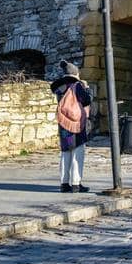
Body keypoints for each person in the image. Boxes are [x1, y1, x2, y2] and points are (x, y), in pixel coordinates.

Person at [50, 61, 93, 193]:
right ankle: (76, 183)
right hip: (76, 124)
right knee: (77, 152)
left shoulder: (59, 87)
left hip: (64, 124)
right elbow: (86, 100)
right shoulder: (77, 85)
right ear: (76, 73)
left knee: (66, 152)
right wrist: (87, 90)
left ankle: (64, 183)